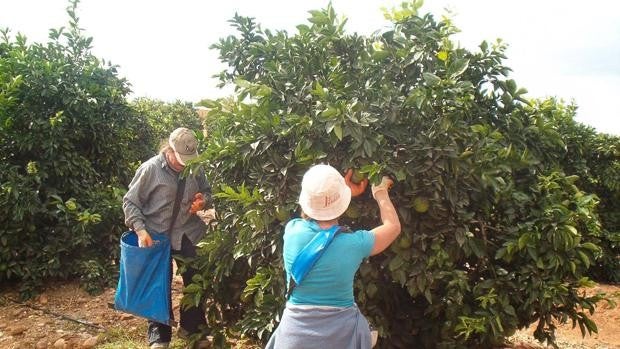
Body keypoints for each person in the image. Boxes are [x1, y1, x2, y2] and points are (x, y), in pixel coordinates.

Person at [266, 164, 401, 349]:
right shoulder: (355, 244)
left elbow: (311, 215)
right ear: (342, 203)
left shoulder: (292, 231)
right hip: (340, 335)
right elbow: (393, 227)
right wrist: (380, 191)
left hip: (295, 336)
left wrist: (331, 200)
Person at [123, 127, 212, 349]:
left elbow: (208, 191)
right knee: (158, 285)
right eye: (181, 158)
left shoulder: (195, 168)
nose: (185, 163)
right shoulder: (150, 169)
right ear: (169, 150)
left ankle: (192, 330)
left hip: (188, 232)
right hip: (156, 236)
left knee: (196, 280)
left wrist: (203, 201)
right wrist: (141, 230)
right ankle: (159, 337)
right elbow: (131, 202)